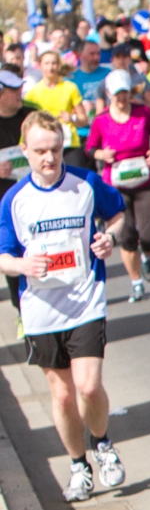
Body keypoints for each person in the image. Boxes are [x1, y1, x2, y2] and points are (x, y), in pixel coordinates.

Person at [0, 110, 127, 502]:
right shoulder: (14, 199)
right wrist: (22, 264)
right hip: (41, 308)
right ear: (25, 150)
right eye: (40, 151)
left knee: (88, 386)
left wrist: (109, 237)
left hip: (86, 300)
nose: (49, 159)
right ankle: (78, 465)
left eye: (55, 149)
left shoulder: (87, 182)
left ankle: (102, 444)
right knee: (63, 396)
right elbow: (2, 255)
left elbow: (118, 214)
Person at [85, 71, 150, 304]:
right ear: (109, 94)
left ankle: (147, 254)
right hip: (116, 185)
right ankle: (136, 282)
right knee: (127, 235)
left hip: (144, 180)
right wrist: (102, 154)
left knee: (149, 236)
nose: (122, 98)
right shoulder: (101, 120)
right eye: (117, 93)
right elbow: (90, 149)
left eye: (125, 92)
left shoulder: (142, 113)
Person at [0, 68, 35, 339]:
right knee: (11, 256)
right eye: (14, 90)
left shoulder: (30, 116)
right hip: (4, 203)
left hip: (34, 197)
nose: (19, 93)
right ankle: (22, 310)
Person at [24, 50, 89, 169]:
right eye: (47, 63)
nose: (51, 67)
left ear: (58, 65)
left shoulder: (70, 88)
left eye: (54, 63)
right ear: (40, 66)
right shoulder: (32, 94)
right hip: (46, 145)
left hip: (69, 143)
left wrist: (72, 119)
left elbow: (83, 119)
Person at [69, 41, 111, 153]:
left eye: (98, 53)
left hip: (106, 130)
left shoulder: (108, 74)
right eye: (91, 54)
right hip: (81, 132)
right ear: (80, 55)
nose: (96, 57)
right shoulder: (71, 78)